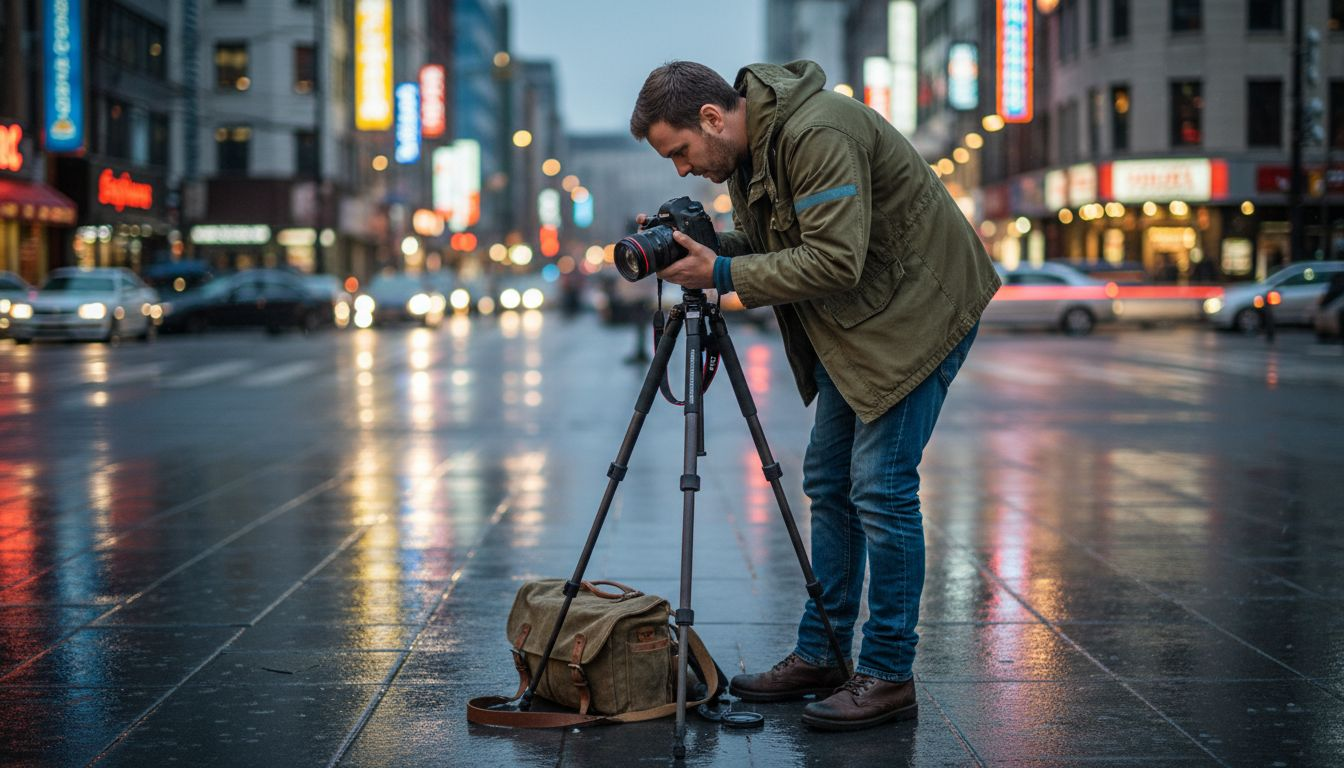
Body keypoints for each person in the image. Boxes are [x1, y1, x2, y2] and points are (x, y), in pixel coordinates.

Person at [629, 60, 1000, 731]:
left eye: (680, 152)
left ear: (712, 118)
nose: (682, 170)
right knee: (830, 481)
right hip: (860, 320)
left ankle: (888, 673)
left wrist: (719, 270)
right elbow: (784, 242)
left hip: (918, 312)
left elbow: (834, 258)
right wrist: (698, 248)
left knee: (880, 489)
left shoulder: (816, 131)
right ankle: (825, 653)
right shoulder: (751, 152)